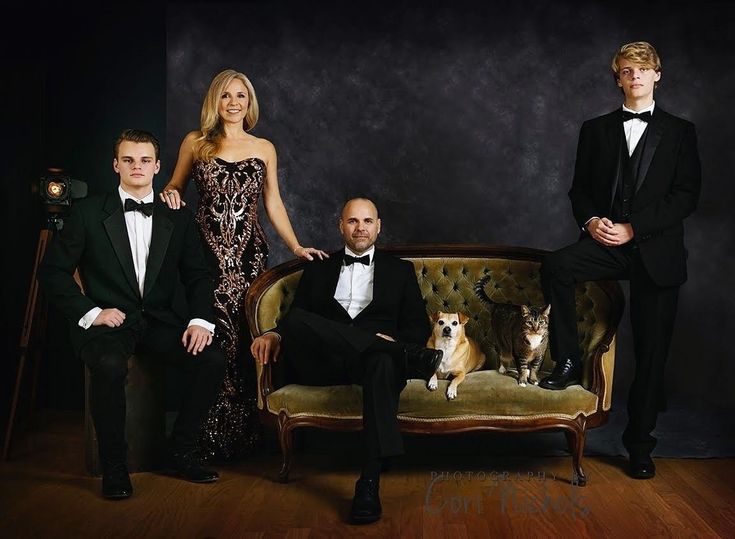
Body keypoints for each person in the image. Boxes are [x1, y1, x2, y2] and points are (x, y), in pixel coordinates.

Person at [539, 42, 701, 480]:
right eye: (627, 71)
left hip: (656, 251)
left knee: (651, 355)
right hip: (605, 244)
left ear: (658, 76)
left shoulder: (681, 131)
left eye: (644, 70)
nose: (636, 78)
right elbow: (579, 192)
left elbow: (686, 196)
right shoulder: (595, 129)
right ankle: (568, 360)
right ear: (618, 78)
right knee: (557, 265)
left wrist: (635, 229)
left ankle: (639, 445)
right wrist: (592, 222)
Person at [38, 129, 226, 499]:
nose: (136, 167)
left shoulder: (178, 215)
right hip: (109, 323)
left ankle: (182, 451)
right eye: (128, 160)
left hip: (157, 321)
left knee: (212, 359)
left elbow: (199, 275)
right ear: (115, 165)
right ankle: (115, 467)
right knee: (108, 366)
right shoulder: (89, 212)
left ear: (157, 166)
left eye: (144, 160)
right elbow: (53, 272)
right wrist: (91, 312)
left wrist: (200, 320)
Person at [160, 69, 326, 460]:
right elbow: (174, 186)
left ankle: (245, 437)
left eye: (241, 97)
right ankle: (202, 438)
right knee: (210, 338)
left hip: (250, 256)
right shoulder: (195, 143)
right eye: (226, 96)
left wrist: (297, 245)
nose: (234, 103)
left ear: (249, 104)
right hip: (206, 256)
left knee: (244, 338)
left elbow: (273, 203)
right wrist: (167, 195)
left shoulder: (264, 147)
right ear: (214, 102)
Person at [251, 197, 443, 525]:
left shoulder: (400, 271)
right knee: (296, 320)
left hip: (371, 367)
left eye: (367, 221)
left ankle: (368, 483)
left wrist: (396, 342)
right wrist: (276, 335)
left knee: (381, 361)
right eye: (352, 221)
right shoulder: (318, 266)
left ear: (378, 226)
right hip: (324, 363)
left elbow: (416, 327)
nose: (360, 228)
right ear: (340, 226)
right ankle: (400, 356)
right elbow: (297, 322)